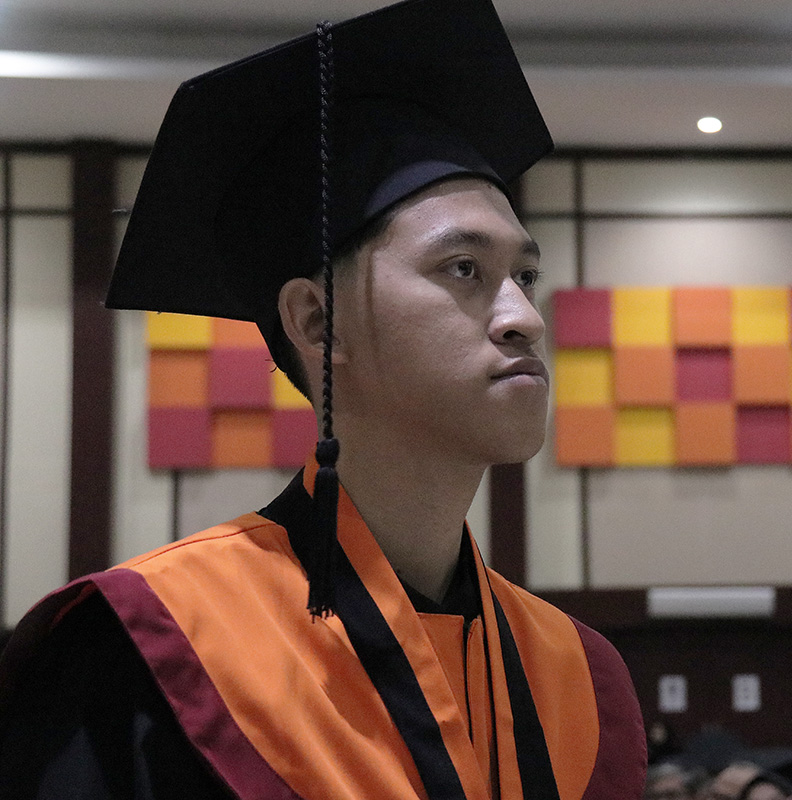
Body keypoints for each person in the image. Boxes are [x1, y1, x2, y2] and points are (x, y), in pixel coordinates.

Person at [0, 0, 647, 798]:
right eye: (464, 269)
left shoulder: (577, 675)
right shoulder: (155, 645)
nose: (525, 317)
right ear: (316, 320)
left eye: (527, 275)